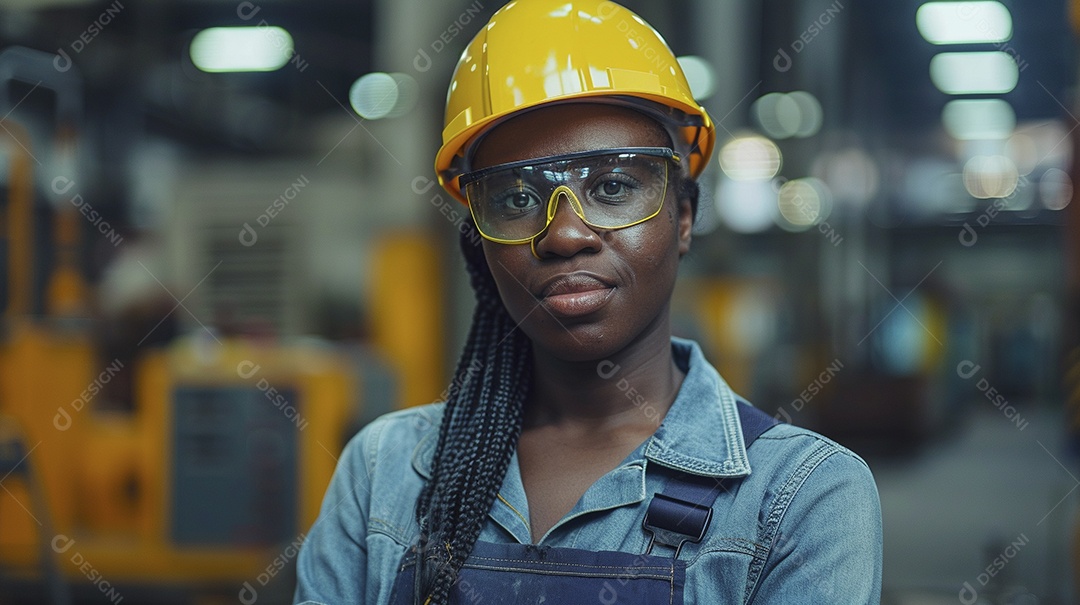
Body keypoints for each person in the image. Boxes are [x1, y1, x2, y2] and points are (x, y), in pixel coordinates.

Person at [294, 1, 882, 603]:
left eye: (612, 186)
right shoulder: (382, 474)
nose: (565, 234)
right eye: (518, 197)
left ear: (682, 218)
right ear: (479, 237)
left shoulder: (801, 497)